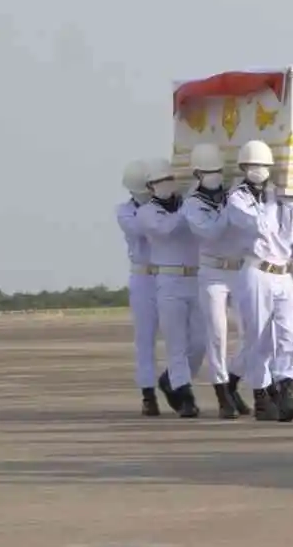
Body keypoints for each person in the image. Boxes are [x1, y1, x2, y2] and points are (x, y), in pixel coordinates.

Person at [224, 139, 293, 423]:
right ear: (244, 167)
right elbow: (260, 227)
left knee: (288, 334)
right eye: (254, 165)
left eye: (264, 165)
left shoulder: (278, 196)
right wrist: (279, 201)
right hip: (257, 271)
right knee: (258, 338)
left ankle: (286, 390)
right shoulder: (237, 198)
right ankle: (261, 395)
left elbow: (290, 237)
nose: (259, 170)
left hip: (284, 272)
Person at [180, 142, 252, 419]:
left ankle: (233, 380)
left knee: (252, 331)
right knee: (218, 334)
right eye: (209, 171)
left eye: (218, 170)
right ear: (197, 174)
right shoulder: (192, 204)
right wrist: (230, 207)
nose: (215, 176)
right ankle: (222, 393)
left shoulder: (234, 194)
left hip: (239, 269)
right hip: (212, 274)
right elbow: (211, 233)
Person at [134, 158, 205, 418]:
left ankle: (171, 379)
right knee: (176, 342)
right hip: (169, 280)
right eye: (158, 182)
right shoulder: (146, 212)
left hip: (196, 278)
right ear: (150, 187)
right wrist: (189, 206)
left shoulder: (186, 204)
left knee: (200, 342)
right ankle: (184, 394)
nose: (165, 185)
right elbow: (166, 229)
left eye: (168, 179)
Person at [117, 158, 163, 417]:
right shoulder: (124, 212)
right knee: (145, 340)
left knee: (188, 337)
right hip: (144, 277)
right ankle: (148, 393)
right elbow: (147, 231)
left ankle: (174, 383)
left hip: (170, 275)